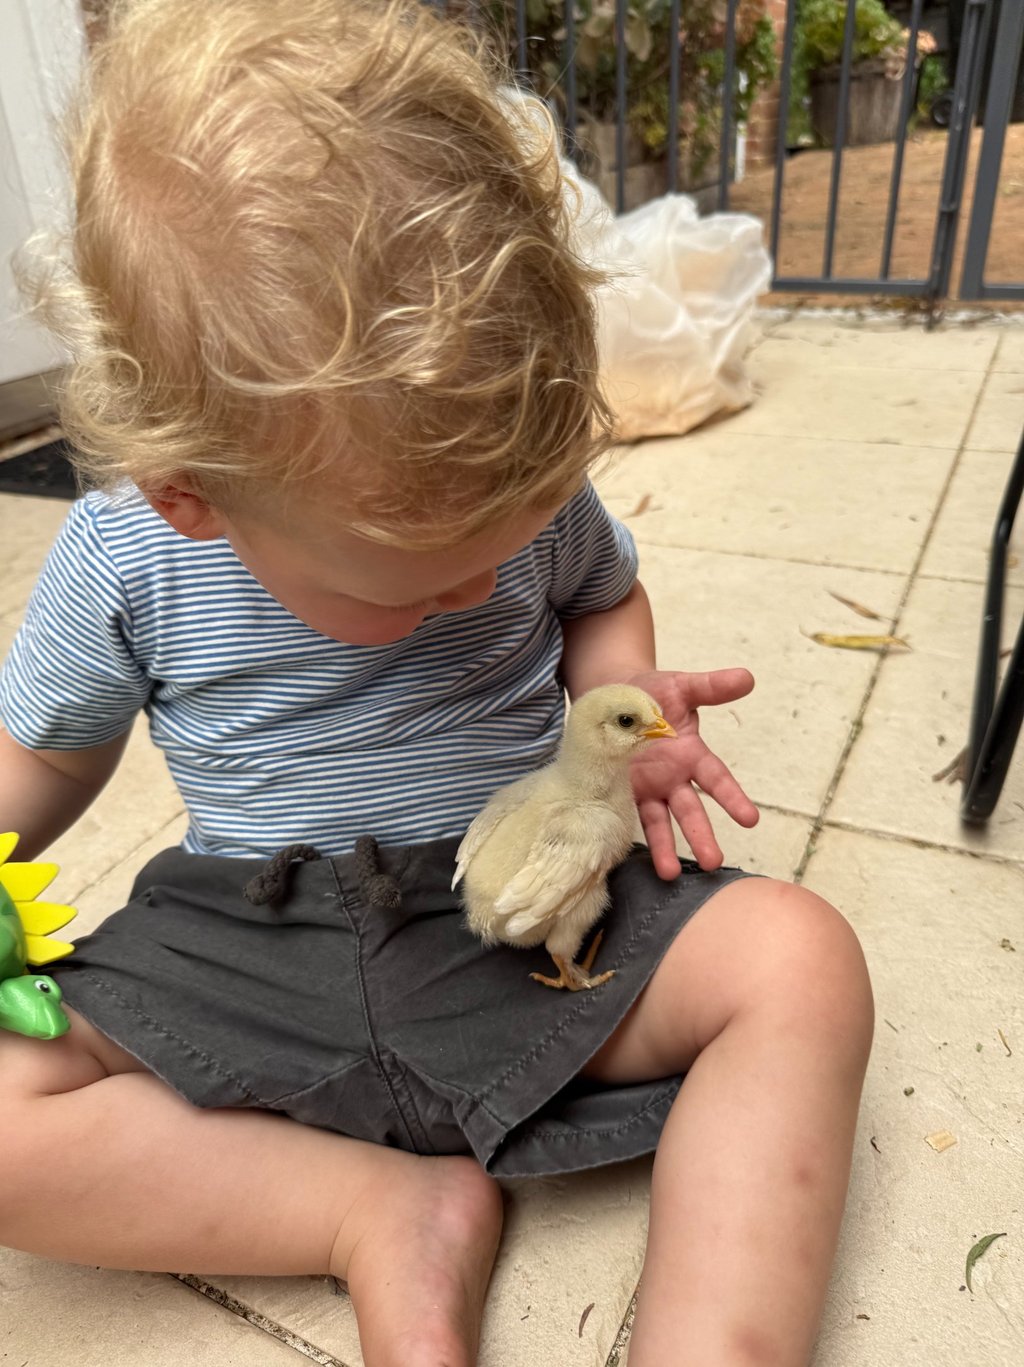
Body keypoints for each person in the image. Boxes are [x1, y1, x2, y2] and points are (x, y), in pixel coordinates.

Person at [0, 2, 874, 1364]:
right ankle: (371, 1211)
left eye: (507, 538)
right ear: (193, 494)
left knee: (801, 963)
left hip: (522, 914)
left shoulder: (514, 496)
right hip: (251, 940)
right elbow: (45, 759)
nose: (481, 590)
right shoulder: (125, 553)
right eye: (416, 577)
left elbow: (599, 596)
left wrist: (623, 708)